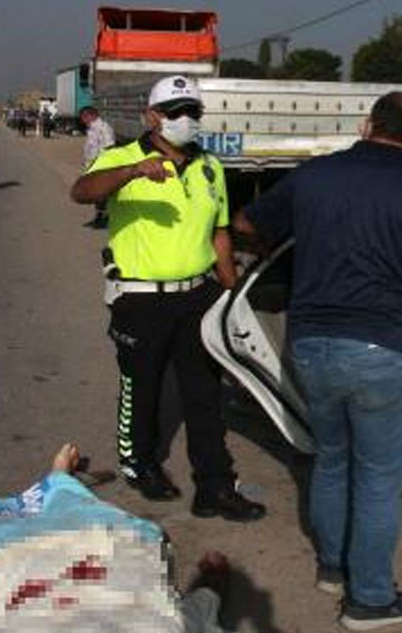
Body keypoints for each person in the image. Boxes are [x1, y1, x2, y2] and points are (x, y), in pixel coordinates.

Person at [234, 91, 402, 629]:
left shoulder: (313, 178)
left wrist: (297, 243)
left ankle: (332, 568)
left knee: (331, 460)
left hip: (311, 345)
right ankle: (369, 599)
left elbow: (246, 223)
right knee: (379, 480)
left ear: (368, 125)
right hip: (383, 352)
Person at [69, 75, 264, 522]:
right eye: (176, 111)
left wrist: (232, 289)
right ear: (152, 117)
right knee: (143, 387)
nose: (186, 120)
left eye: (193, 111)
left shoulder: (210, 166)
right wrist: (134, 172)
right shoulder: (122, 157)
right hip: (140, 298)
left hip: (199, 295)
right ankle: (139, 464)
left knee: (203, 393)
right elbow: (81, 192)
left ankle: (214, 485)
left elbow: (219, 231)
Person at [0, 443, 240, 632]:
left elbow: (186, 618)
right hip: (97, 546)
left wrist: (210, 589)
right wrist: (210, 590)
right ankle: (57, 480)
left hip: (75, 550)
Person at [80, 106, 117, 229]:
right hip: (92, 166)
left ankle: (103, 218)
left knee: (101, 194)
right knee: (97, 195)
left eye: (84, 118)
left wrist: (103, 166)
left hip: (101, 166)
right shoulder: (93, 128)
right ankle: (99, 217)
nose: (83, 121)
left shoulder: (103, 128)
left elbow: (110, 148)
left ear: (90, 115)